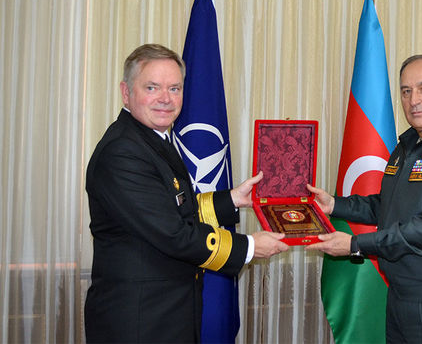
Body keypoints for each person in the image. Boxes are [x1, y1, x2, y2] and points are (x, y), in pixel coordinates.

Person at [84, 43, 289, 343]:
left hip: (168, 314)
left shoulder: (153, 139)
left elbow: (175, 208)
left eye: (175, 88)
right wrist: (248, 247)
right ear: (126, 93)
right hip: (140, 322)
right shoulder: (123, 152)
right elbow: (173, 233)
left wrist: (231, 199)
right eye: (152, 87)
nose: (165, 99)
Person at [307, 55, 422, 343]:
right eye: (406, 91)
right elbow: (387, 207)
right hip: (399, 296)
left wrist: (355, 244)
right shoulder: (408, 145)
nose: (413, 100)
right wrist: (334, 205)